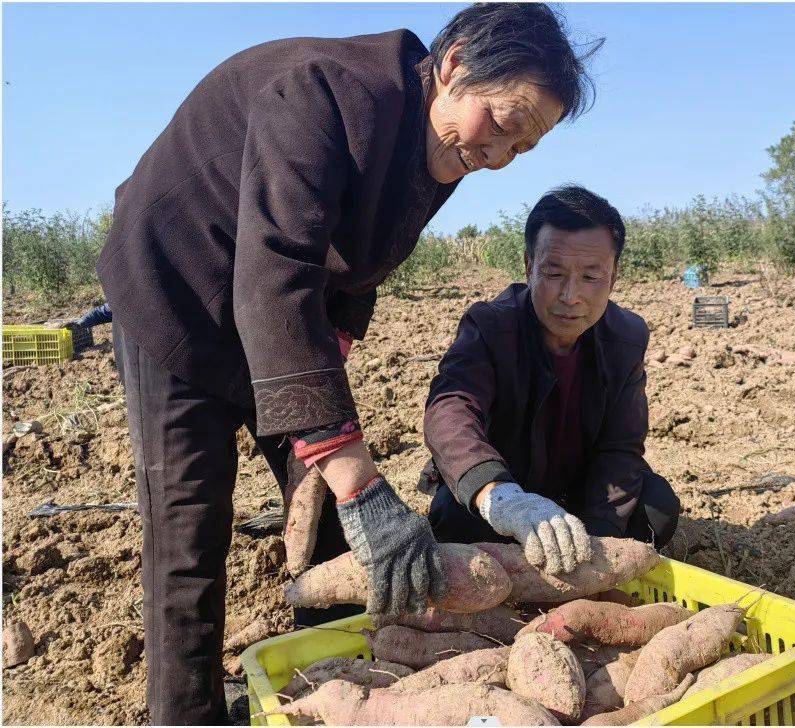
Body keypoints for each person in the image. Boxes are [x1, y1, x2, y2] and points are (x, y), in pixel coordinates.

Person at [95, 5, 601, 723]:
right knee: (191, 525)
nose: (499, 155)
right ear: (453, 66)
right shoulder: (323, 93)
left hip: (274, 315)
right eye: (503, 121)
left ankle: (324, 685)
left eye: (524, 146)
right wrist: (352, 471)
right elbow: (278, 274)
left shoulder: (443, 147)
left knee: (335, 516)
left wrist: (320, 450)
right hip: (176, 293)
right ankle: (186, 713)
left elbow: (354, 272)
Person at [422, 186, 680, 569]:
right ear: (529, 266)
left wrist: (595, 543)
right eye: (554, 273)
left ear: (614, 275)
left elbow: (620, 448)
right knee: (458, 522)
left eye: (591, 276)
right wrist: (502, 496)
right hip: (509, 489)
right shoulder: (492, 326)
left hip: (578, 488)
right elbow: (450, 408)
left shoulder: (626, 337)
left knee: (656, 509)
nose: (571, 296)